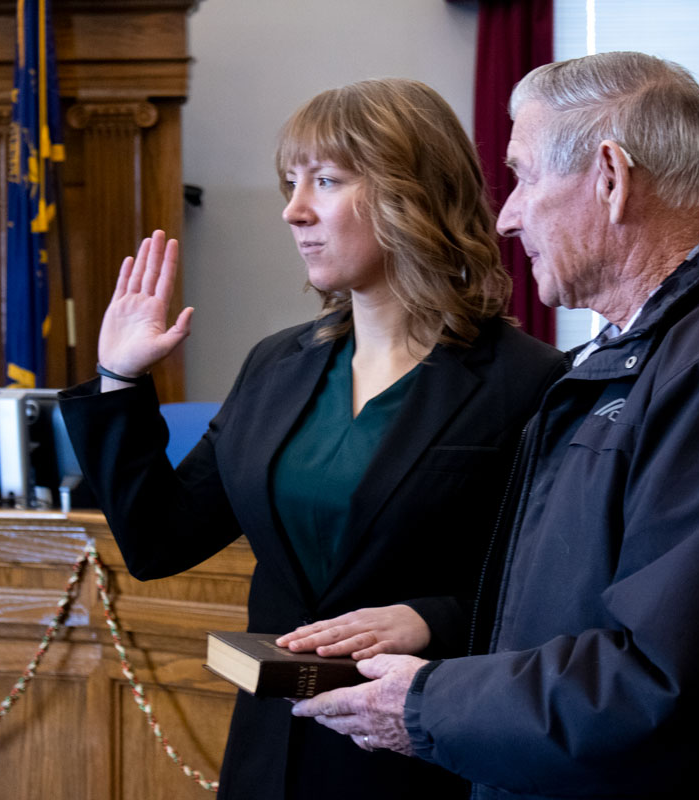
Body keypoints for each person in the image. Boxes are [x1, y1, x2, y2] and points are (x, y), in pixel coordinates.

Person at [292, 52, 699, 798]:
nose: (507, 217)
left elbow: (668, 682)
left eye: (523, 177)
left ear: (609, 178)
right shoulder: (640, 354)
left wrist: (425, 704)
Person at [59, 78, 564, 799]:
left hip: (420, 757)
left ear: (411, 195)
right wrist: (118, 379)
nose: (294, 211)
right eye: (290, 183)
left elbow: (550, 598)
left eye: (325, 181)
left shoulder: (529, 381)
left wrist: (434, 617)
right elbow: (159, 541)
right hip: (271, 755)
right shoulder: (276, 365)